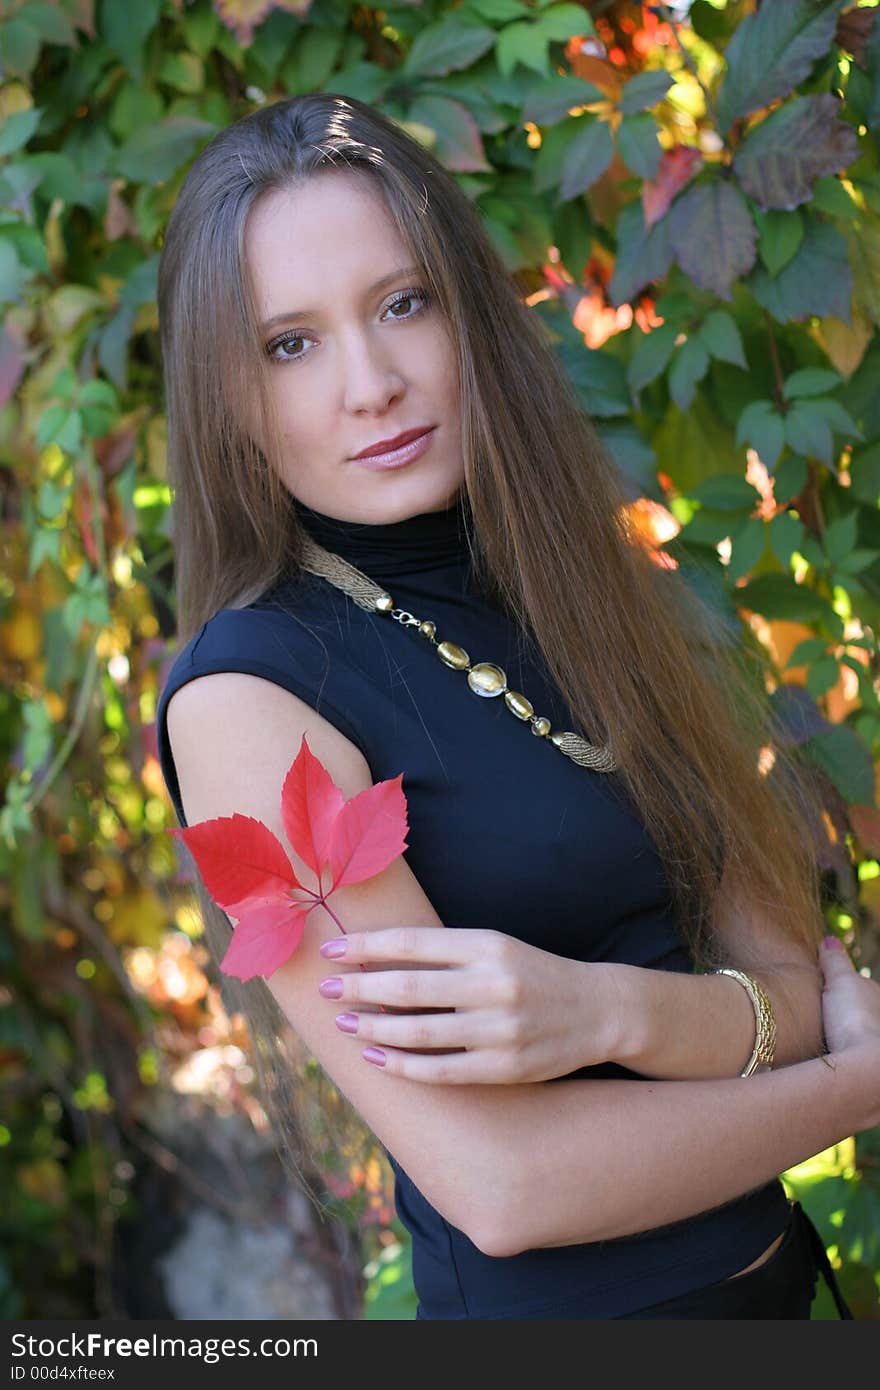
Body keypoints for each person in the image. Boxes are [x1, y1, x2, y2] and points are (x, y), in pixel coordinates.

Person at [154, 93, 880, 1320]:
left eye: (402, 303)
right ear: (229, 395)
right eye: (291, 343)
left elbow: (798, 994)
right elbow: (505, 1184)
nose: (373, 383)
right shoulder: (248, 698)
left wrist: (602, 1011)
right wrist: (856, 1089)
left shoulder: (596, 587)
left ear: (468, 314)